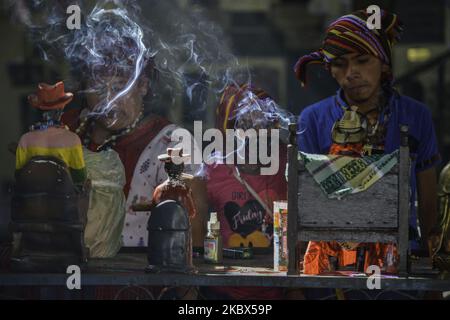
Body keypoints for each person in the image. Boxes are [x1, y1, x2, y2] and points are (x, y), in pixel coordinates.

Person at [294, 9, 441, 276]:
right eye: (340, 64)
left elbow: (428, 201)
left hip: (398, 264)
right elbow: (302, 205)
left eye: (362, 60)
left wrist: (433, 268)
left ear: (384, 63)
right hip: (332, 269)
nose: (352, 73)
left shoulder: (415, 116)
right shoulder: (313, 119)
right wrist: (297, 283)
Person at [203, 84, 289, 299]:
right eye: (245, 124)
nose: (256, 132)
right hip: (224, 293)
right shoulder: (214, 169)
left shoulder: (287, 163)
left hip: (278, 290)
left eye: (263, 123)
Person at [17, 82, 86, 187]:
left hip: (34, 192)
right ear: (60, 111)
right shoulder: (73, 139)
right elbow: (79, 176)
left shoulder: (25, 139)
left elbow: (19, 174)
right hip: (63, 196)